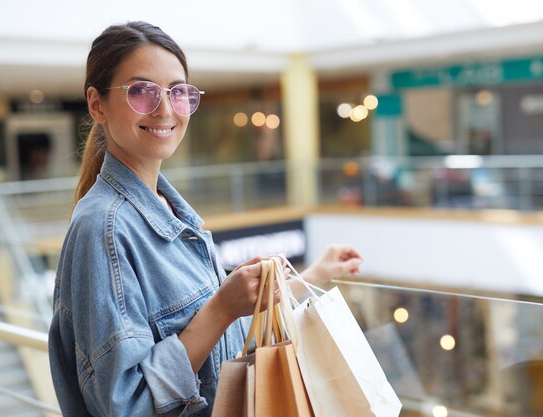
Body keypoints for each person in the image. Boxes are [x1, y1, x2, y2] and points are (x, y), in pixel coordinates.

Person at [48, 21, 363, 417]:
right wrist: (220, 308)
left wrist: (310, 274)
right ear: (97, 104)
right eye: (141, 92)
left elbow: (221, 350)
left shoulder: (170, 210)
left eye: (178, 92)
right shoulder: (104, 228)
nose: (165, 109)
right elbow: (125, 406)